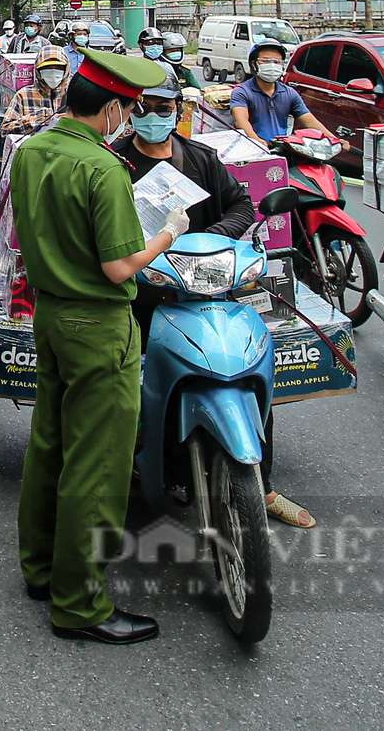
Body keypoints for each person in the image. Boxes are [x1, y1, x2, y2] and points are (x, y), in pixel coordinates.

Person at [12, 49, 184, 644]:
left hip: (52, 314)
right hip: (98, 323)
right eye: (129, 110)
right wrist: (168, 231)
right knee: (98, 463)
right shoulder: (104, 168)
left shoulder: (30, 150)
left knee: (50, 441)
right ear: (111, 108)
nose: (131, 120)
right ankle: (80, 604)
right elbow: (118, 268)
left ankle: (40, 570)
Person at [109, 80, 313, 529]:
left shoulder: (200, 159)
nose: (154, 114)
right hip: (143, 293)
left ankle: (264, 486)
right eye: (144, 106)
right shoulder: (115, 161)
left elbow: (242, 205)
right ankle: (124, 474)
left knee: (244, 371)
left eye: (164, 106)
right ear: (130, 110)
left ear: (177, 110)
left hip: (208, 289)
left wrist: (212, 240)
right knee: (124, 384)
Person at [229, 40, 327, 149]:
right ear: (254, 64)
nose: (272, 66)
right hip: (251, 149)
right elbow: (241, 120)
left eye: (276, 62)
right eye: (266, 61)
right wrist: (257, 141)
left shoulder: (289, 93)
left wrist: (333, 139)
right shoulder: (242, 92)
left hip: (281, 149)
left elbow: (310, 121)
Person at [1, 47, 72, 135]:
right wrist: (34, 120)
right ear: (38, 71)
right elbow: (5, 130)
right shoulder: (24, 95)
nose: (53, 72)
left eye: (58, 68)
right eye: (47, 68)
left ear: (66, 69)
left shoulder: (75, 94)